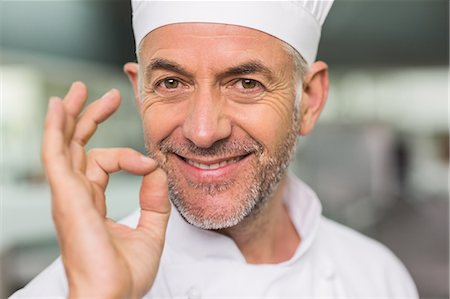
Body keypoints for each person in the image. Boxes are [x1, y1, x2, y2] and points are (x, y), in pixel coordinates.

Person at [11, 1, 419, 298]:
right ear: (139, 93)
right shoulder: (69, 290)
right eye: (171, 83)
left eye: (246, 83)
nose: (203, 131)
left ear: (309, 99)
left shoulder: (378, 277)